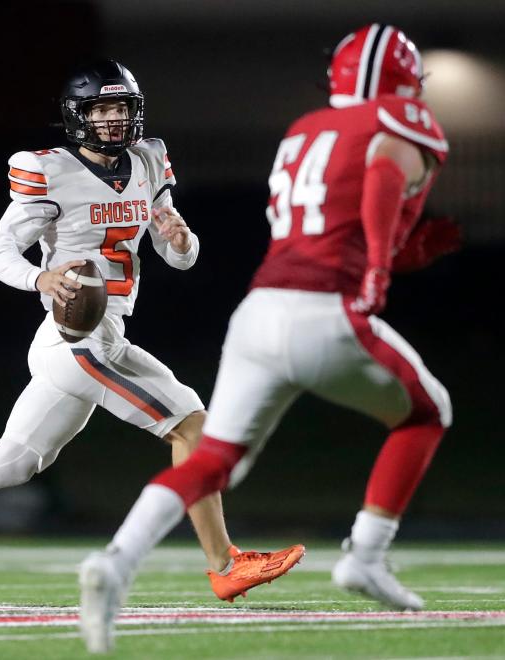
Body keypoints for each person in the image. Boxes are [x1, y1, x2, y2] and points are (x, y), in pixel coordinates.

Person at [0, 59, 303, 599]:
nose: (114, 119)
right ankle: (224, 564)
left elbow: (178, 255)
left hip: (106, 334)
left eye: (121, 108)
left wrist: (181, 242)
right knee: (192, 428)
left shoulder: (149, 160)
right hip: (73, 339)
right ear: (78, 116)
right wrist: (40, 278)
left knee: (14, 462)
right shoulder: (49, 169)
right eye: (102, 108)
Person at [78, 25, 459, 653]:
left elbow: (328, 222)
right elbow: (387, 170)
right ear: (402, 80)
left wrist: (394, 250)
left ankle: (116, 564)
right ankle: (365, 555)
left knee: (211, 460)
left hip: (259, 312)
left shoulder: (306, 129)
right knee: (427, 412)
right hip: (324, 312)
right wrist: (382, 270)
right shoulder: (400, 119)